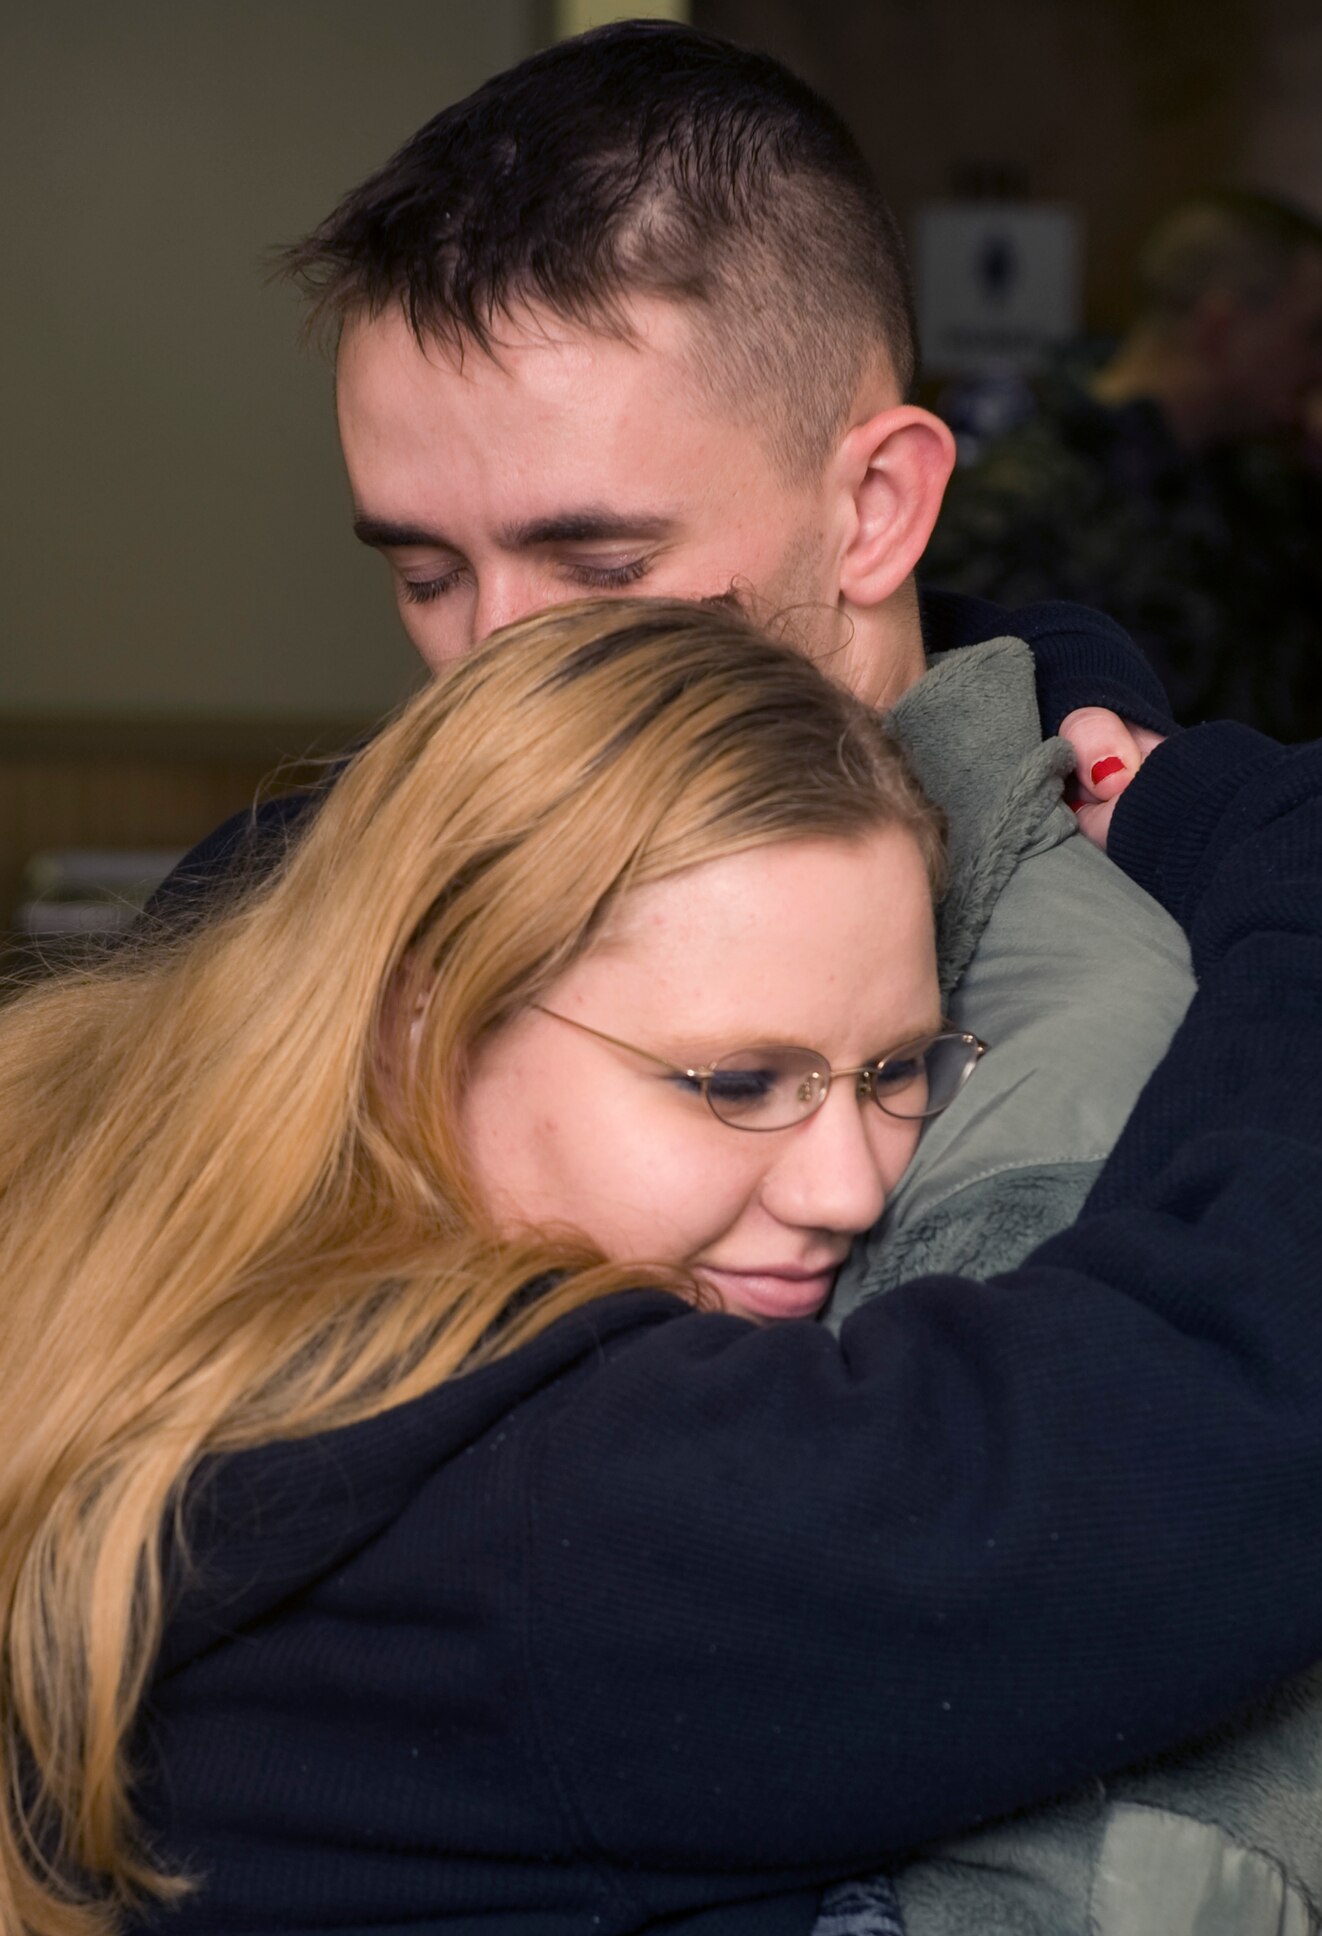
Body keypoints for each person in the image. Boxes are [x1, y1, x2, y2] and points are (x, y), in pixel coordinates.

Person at [4, 598, 1322, 1936]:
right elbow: (1231, 1402)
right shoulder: (515, 1508)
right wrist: (1276, 839)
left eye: (895, 1074)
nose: (844, 1189)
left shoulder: (169, 1275)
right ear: (420, 1029)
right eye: (737, 1084)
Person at [158, 19, 1190, 1303]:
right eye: (425, 575)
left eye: (601, 568)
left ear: (871, 508)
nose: (496, 658)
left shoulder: (1062, 1050)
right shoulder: (291, 895)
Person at [926, 189, 1322, 739]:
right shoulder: (1020, 496)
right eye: (1313, 334)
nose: (1321, 365)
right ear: (1219, 328)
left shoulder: (1266, 484)